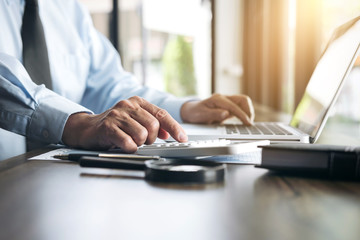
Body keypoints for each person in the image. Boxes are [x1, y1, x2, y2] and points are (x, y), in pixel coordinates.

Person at [0, 0, 254, 160]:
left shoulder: (68, 9)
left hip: (60, 178)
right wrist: (76, 124)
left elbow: (110, 86)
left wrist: (184, 109)